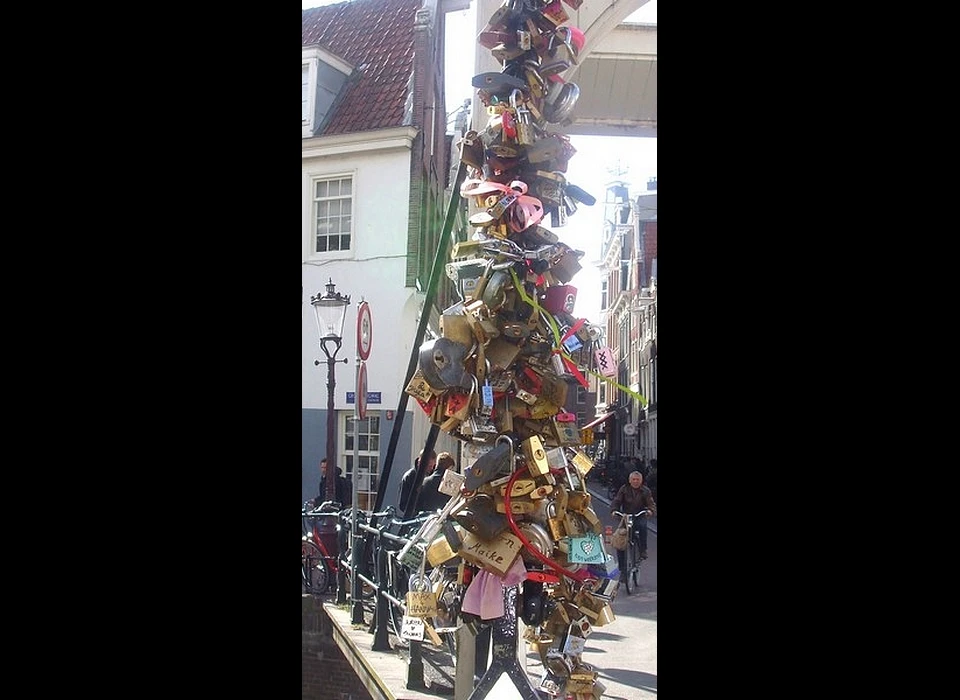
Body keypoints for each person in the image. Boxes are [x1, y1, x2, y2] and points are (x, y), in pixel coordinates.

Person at [610, 470, 657, 566]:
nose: (636, 481)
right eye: (634, 479)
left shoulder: (646, 491)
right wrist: (614, 510)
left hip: (639, 515)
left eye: (638, 480)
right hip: (626, 516)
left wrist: (650, 510)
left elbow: (651, 503)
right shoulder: (624, 489)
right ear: (630, 480)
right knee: (620, 542)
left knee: (643, 526)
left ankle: (643, 549)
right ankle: (622, 569)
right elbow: (617, 500)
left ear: (641, 481)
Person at [399, 449, 437, 513]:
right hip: (415, 519)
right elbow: (403, 504)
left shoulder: (433, 475)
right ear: (420, 462)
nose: (431, 469)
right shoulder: (409, 477)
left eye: (433, 466)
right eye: (429, 466)